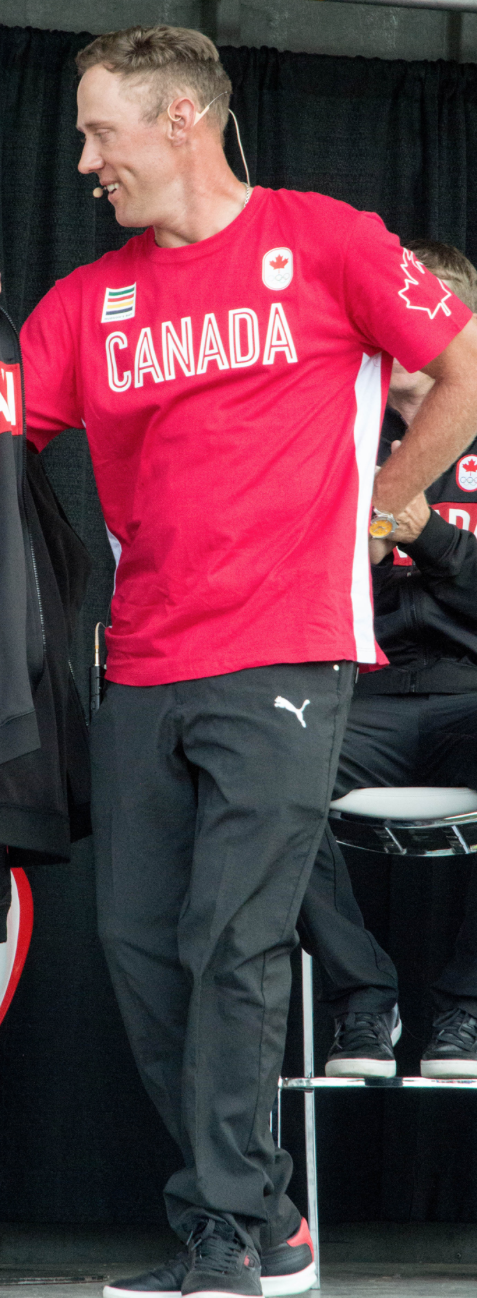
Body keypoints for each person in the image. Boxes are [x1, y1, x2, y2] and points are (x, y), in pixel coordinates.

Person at [19, 25, 477, 1298]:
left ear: (181, 122)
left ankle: (222, 1233)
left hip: (288, 645)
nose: (84, 158)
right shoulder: (90, 299)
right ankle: (265, 1223)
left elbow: (465, 364)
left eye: (102, 130)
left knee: (233, 939)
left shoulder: (324, 238)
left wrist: (387, 494)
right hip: (145, 657)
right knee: (137, 942)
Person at [298, 241, 477, 1082]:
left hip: (467, 700)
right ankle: (363, 999)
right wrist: (343, 565)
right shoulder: (335, 431)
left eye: (435, 308)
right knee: (263, 772)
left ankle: (465, 1014)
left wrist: (428, 534)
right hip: (357, 696)